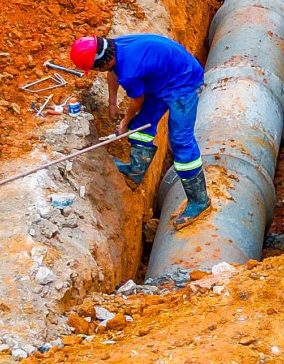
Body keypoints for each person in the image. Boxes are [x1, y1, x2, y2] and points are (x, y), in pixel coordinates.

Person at [69, 33, 211, 228]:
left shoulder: (130, 72)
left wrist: (124, 122)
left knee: (180, 140)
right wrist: (112, 103)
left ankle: (199, 201)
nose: (96, 71)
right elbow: (112, 72)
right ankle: (135, 172)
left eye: (94, 68)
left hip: (184, 82)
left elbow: (138, 101)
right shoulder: (114, 47)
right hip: (162, 78)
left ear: (101, 62)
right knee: (140, 127)